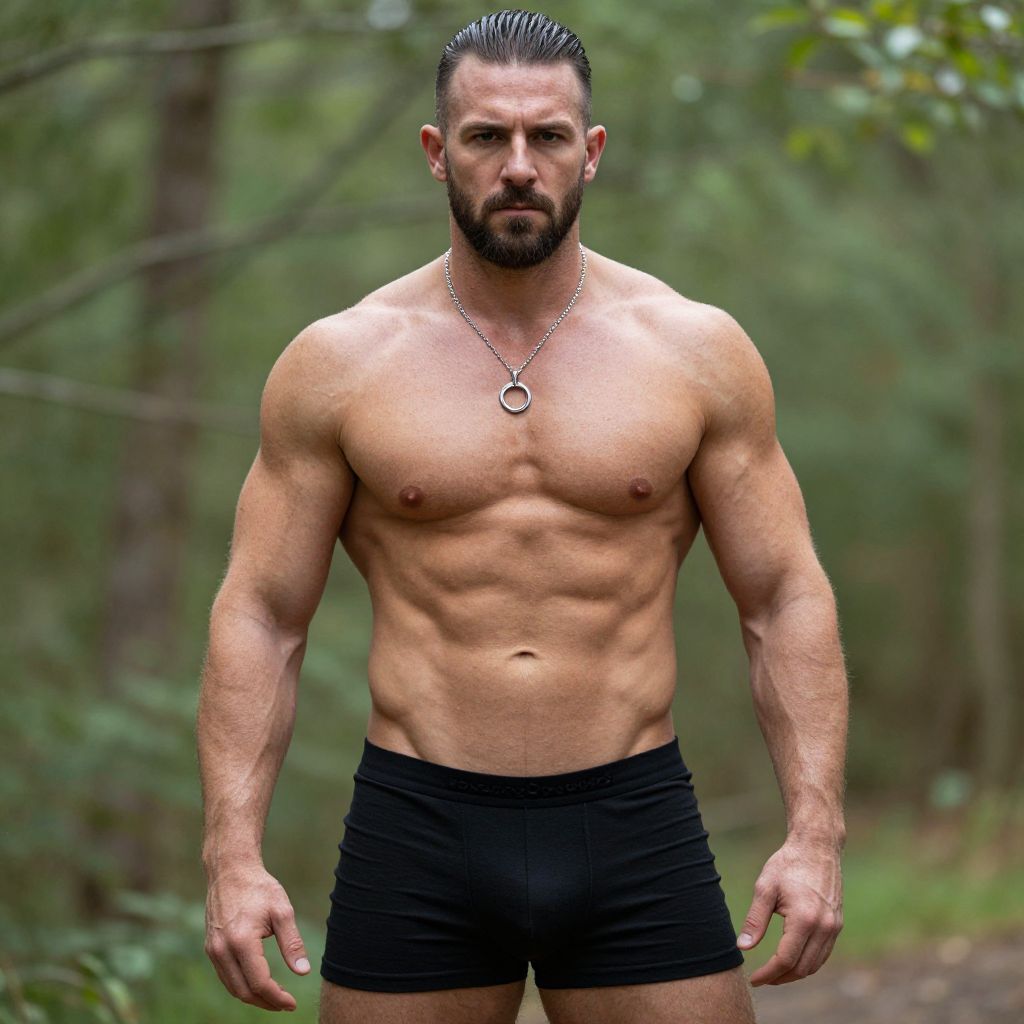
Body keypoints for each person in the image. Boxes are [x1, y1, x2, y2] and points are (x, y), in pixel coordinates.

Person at [196, 9, 848, 1024]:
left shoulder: (693, 350)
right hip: (419, 826)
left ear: (588, 152)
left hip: (633, 815)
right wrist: (230, 855)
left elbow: (782, 595)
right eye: (484, 136)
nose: (516, 165)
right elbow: (261, 615)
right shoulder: (339, 363)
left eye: (545, 137)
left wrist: (816, 832)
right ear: (435, 151)